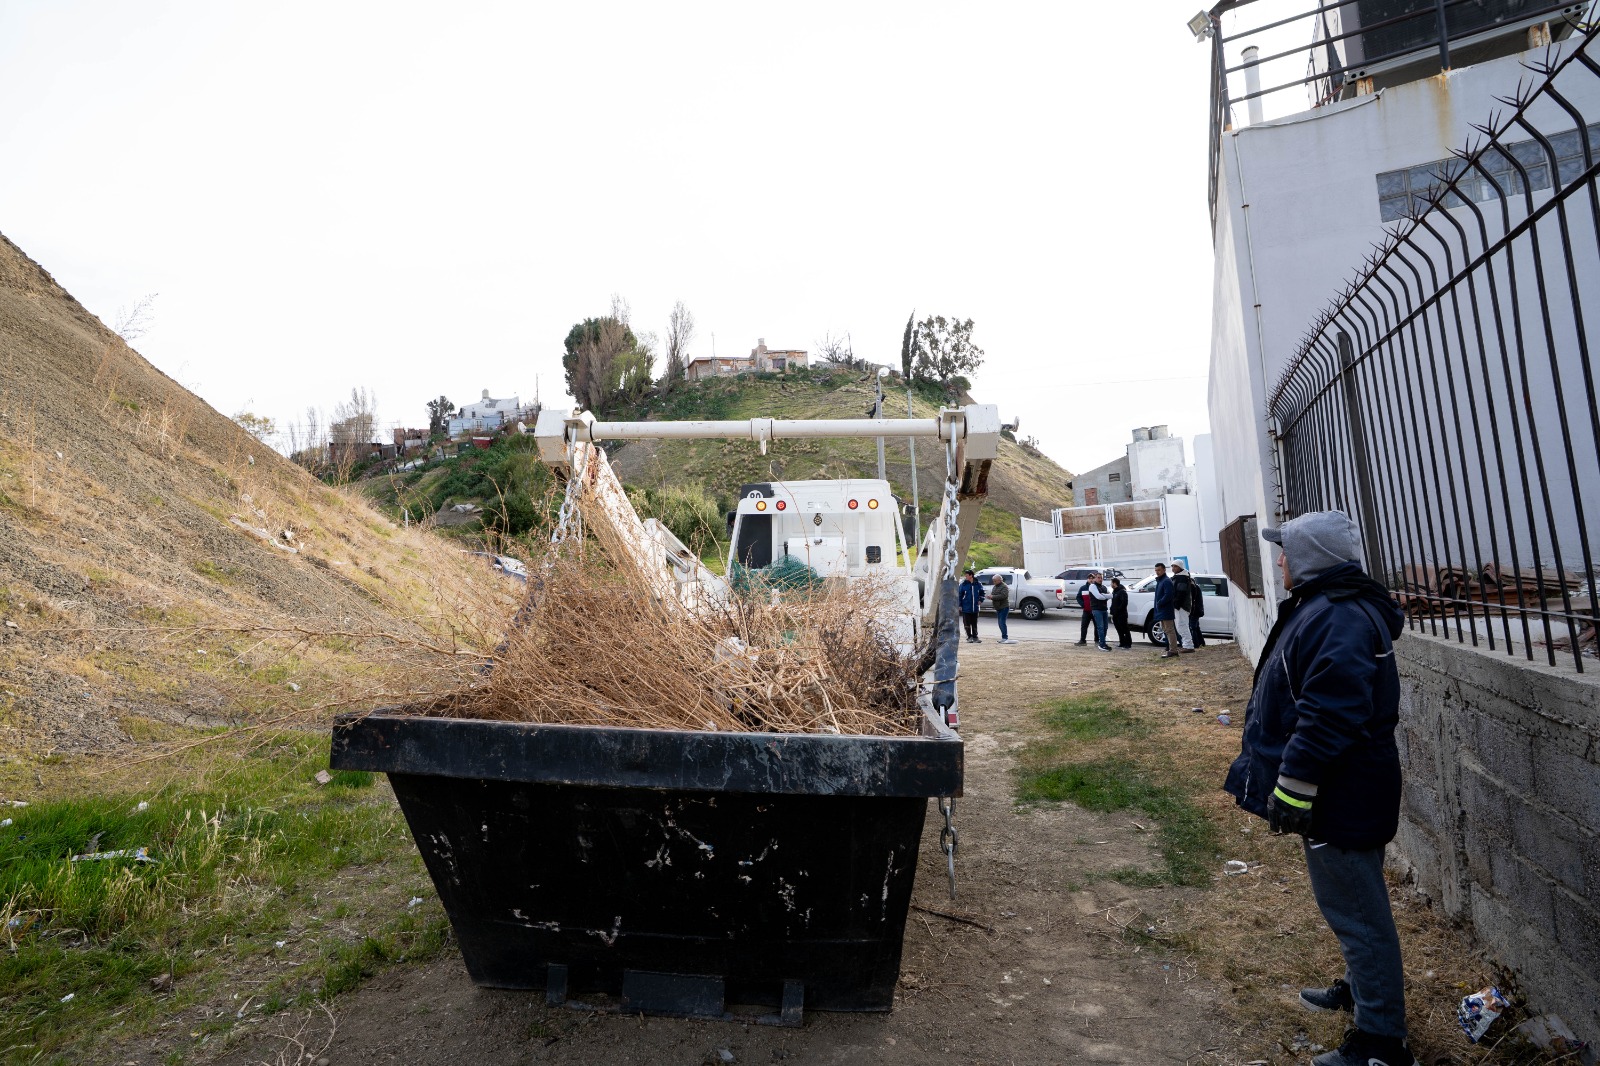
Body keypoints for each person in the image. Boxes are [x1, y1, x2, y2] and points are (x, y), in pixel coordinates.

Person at [1223, 510, 1414, 1066]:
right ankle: (1362, 992)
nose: (1279, 559)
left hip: (1342, 790)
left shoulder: (1338, 617)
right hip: (1346, 787)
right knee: (1352, 906)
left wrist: (1294, 785)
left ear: (1311, 559)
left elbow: (1332, 713)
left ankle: (1380, 1044)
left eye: (1286, 551)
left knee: (1359, 913)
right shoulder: (1329, 608)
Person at [1151, 562, 1180, 658]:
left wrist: (1160, 602)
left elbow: (1169, 595)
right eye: (1156, 570)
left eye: (1159, 570)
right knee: (1166, 630)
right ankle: (1171, 650)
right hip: (1162, 609)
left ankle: (1173, 650)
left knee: (1169, 630)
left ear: (1164, 570)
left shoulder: (1166, 581)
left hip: (1166, 609)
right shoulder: (1161, 581)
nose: (1157, 572)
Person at [1170, 561, 1197, 653]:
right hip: (1180, 606)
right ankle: (1186, 645)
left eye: (1175, 566)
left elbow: (1181, 593)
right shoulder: (1180, 577)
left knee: (1182, 626)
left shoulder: (1182, 578)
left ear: (1180, 567)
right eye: (1172, 566)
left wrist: (1176, 604)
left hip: (1181, 606)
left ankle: (1188, 646)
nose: (1173, 568)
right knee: (1181, 626)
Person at [1084, 572, 1113, 651]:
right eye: (1098, 578)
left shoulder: (1103, 587)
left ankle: (1103, 643)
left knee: (1105, 627)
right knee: (1100, 627)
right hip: (1097, 609)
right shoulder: (1092, 586)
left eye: (1101, 578)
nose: (1100, 579)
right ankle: (1102, 644)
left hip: (1104, 609)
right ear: (1095, 578)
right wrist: (1105, 596)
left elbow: (1111, 595)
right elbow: (1098, 597)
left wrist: (1103, 595)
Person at [958, 568, 985, 643]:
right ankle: (969, 636)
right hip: (966, 607)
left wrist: (980, 600)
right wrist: (959, 605)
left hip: (975, 608)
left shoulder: (978, 584)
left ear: (971, 576)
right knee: (967, 623)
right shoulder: (963, 585)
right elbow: (960, 595)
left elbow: (982, 593)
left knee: (974, 623)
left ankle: (975, 637)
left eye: (966, 575)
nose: (965, 577)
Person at [989, 574, 1015, 644]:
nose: (994, 582)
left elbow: (1003, 596)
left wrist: (993, 597)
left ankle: (1005, 637)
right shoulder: (995, 586)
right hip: (998, 607)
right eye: (993, 581)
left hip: (1004, 607)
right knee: (1000, 623)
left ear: (1000, 580)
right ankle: (1003, 637)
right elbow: (993, 594)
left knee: (1002, 622)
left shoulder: (1004, 586)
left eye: (995, 581)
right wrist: (990, 596)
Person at [1110, 577, 1133, 649]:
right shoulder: (1114, 591)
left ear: (1114, 583)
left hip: (1121, 614)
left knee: (1124, 629)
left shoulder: (1122, 591)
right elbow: (1114, 602)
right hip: (1115, 614)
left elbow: (1124, 603)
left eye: (1111, 583)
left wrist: (1118, 610)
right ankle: (1122, 642)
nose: (1111, 585)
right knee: (1119, 629)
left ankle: (1128, 644)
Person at [1189, 573, 1208, 648]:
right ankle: (1201, 642)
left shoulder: (1192, 587)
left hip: (1194, 610)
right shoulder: (1196, 587)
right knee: (1196, 627)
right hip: (1197, 610)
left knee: (1193, 627)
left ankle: (1196, 644)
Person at [1074, 580, 1095, 645]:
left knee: (1097, 626)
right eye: (1089, 578)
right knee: (1084, 626)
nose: (1091, 579)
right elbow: (1078, 597)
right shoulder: (1083, 588)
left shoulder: (1097, 587)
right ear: (1087, 579)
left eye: (1093, 578)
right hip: (1086, 610)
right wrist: (1083, 604)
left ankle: (1097, 640)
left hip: (1095, 610)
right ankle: (1082, 640)